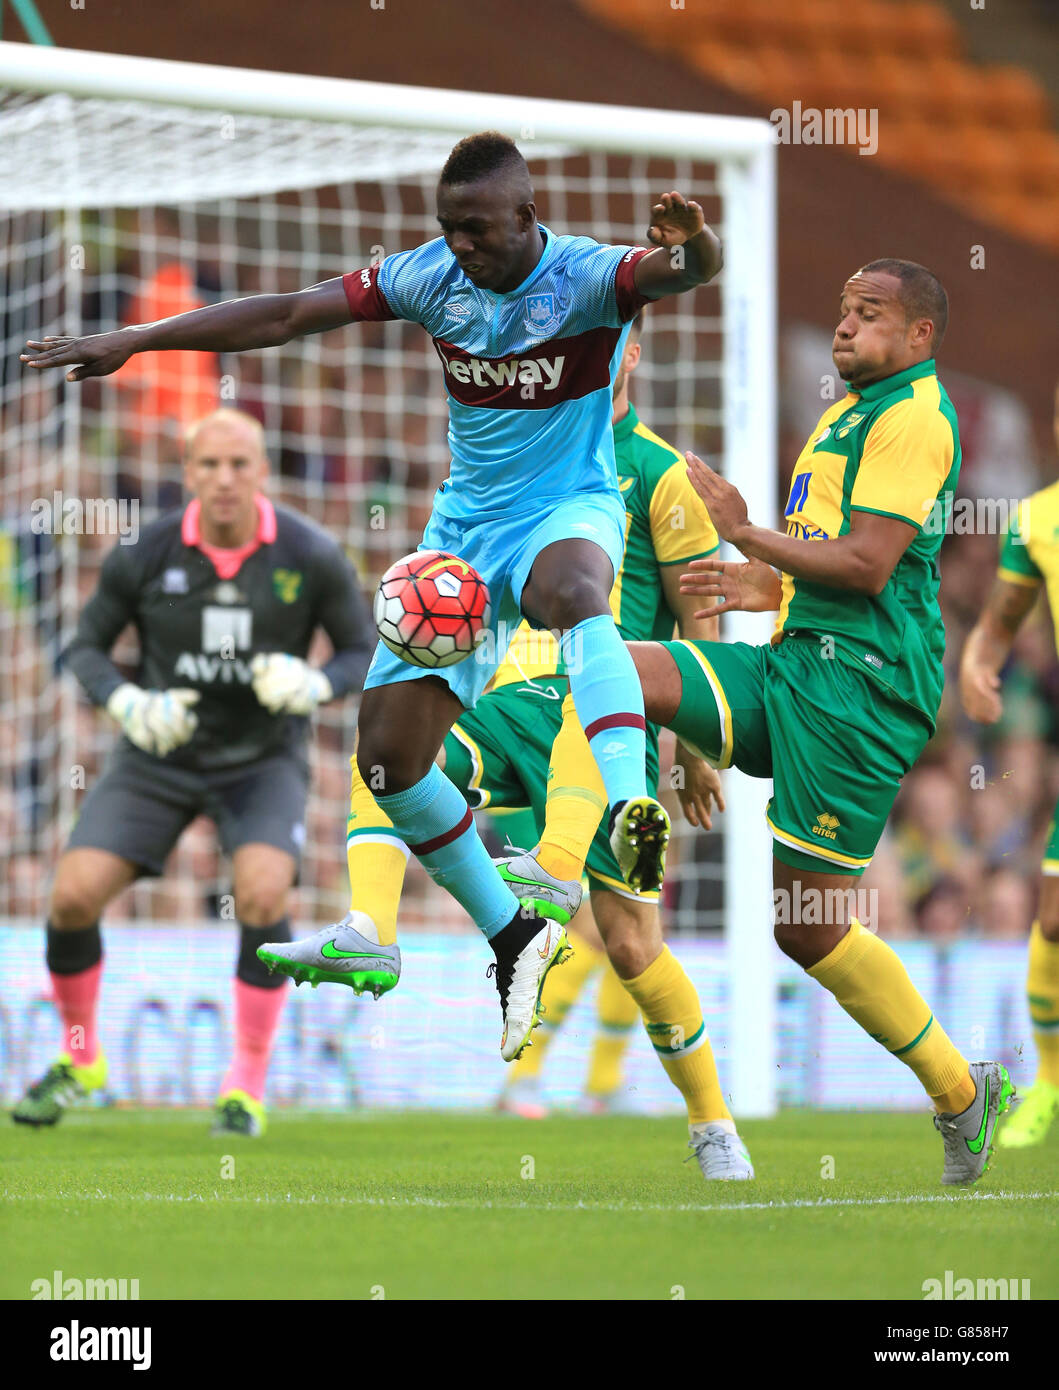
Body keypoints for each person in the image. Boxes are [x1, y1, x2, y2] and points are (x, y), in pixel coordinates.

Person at [25, 130, 724, 1060]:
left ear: (524, 216)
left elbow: (685, 276)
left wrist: (695, 245)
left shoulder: (594, 277)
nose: (460, 245)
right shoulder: (430, 277)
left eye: (476, 229)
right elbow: (281, 316)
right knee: (389, 760)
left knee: (574, 591)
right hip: (461, 535)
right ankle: (512, 937)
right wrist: (137, 340)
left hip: (570, 506)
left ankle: (632, 809)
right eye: (448, 228)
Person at [538, 259, 1014, 1186]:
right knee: (612, 664)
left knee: (803, 926)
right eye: (841, 310)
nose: (844, 328)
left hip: (864, 693)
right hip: (798, 663)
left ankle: (961, 1092)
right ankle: (565, 864)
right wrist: (775, 583)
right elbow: (841, 555)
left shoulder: (915, 415)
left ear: (918, 336)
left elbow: (873, 566)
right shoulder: (847, 412)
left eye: (868, 314)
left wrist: (749, 537)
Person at [271, 311, 751, 1178]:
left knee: (635, 947)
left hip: (610, 716)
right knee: (385, 759)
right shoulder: (521, 454)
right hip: (510, 698)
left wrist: (693, 749)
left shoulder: (658, 474)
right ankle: (371, 925)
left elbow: (698, 605)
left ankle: (711, 1121)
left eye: (601, 347)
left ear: (629, 355)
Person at [11, 408, 374, 1136]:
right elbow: (83, 649)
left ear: (262, 471)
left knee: (263, 890)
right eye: (209, 465)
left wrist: (314, 685)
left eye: (239, 464)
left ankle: (244, 1085)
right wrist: (127, 701)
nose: (225, 479)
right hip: (158, 757)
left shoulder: (311, 554)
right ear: (189, 474)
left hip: (261, 759)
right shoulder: (145, 552)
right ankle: (81, 1058)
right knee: (73, 896)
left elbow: (362, 651)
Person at [959, 377, 1059, 1146]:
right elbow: (1002, 616)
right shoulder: (1035, 519)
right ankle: (1049, 1087)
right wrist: (977, 663)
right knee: (1051, 921)